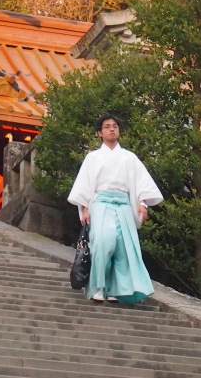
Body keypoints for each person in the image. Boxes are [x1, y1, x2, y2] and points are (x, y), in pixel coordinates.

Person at [68, 114, 163, 303]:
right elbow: (85, 184)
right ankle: (98, 286)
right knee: (103, 243)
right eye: (107, 127)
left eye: (115, 126)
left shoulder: (129, 158)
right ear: (99, 133)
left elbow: (141, 182)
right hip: (101, 204)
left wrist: (142, 204)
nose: (112, 129)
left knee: (123, 248)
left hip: (124, 205)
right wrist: (85, 208)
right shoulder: (93, 157)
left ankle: (115, 289)